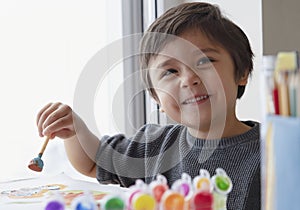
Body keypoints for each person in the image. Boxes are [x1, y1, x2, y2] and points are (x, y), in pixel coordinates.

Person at [36, 2, 260, 209]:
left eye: (204, 61)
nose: (188, 79)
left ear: (241, 72)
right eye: (170, 71)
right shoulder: (153, 146)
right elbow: (92, 163)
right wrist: (75, 130)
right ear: (156, 98)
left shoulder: (275, 151)